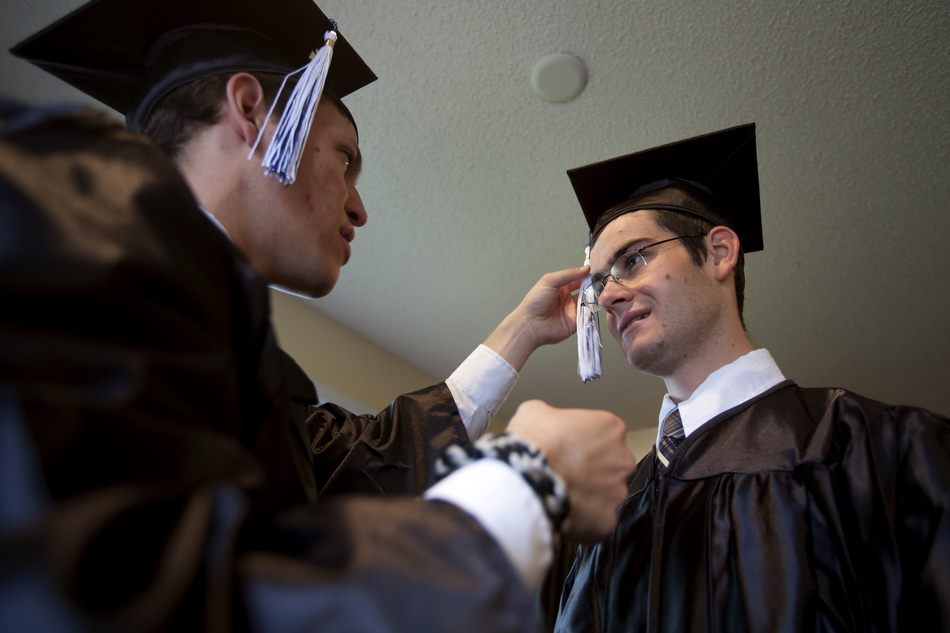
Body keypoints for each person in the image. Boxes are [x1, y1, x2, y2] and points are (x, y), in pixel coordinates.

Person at [0, 0, 636, 630]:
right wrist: (526, 485)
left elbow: (362, 472)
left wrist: (521, 332)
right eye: (345, 158)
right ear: (252, 111)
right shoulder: (49, 228)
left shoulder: (214, 338)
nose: (359, 208)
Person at [547, 124, 950, 632]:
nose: (607, 296)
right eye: (601, 281)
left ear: (719, 252)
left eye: (634, 259)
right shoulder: (610, 508)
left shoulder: (880, 451)